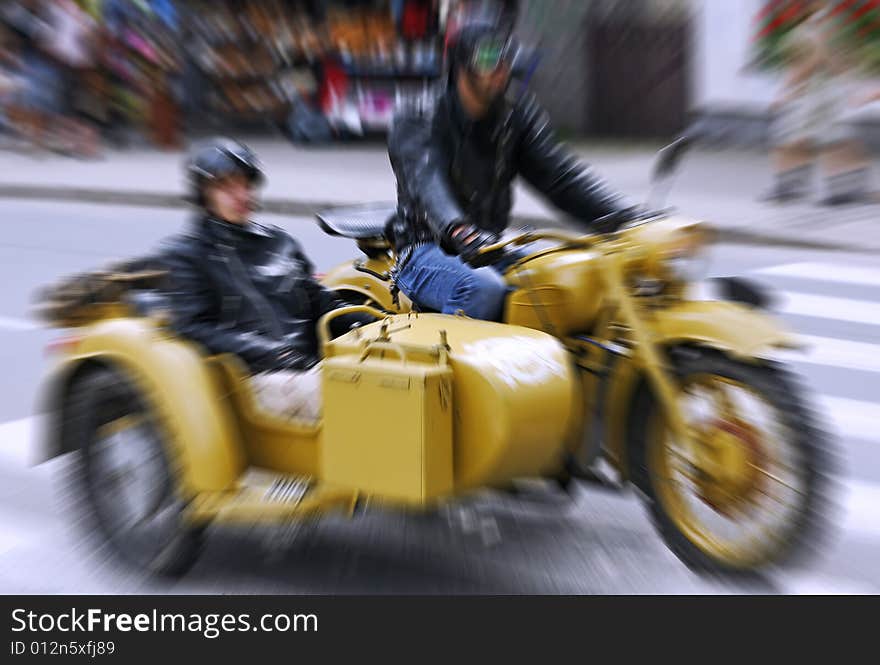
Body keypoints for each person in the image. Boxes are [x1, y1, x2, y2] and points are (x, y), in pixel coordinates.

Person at [385, 4, 635, 320]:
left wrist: (623, 219)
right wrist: (460, 230)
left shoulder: (514, 115)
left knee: (566, 276)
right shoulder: (419, 115)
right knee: (482, 289)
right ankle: (456, 365)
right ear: (461, 67)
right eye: (489, 60)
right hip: (425, 250)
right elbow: (426, 184)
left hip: (488, 247)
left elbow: (559, 177)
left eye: (505, 58)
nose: (501, 69)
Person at [162, 139, 373, 422]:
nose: (241, 194)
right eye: (226, 186)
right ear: (204, 194)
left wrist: (376, 323)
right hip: (256, 377)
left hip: (310, 364)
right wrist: (271, 353)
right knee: (366, 401)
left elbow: (319, 300)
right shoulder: (187, 255)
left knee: (401, 378)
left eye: (245, 184)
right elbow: (194, 327)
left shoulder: (279, 241)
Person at [763, 1, 874, 206]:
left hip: (819, 93)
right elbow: (821, 59)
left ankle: (840, 187)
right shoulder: (814, 23)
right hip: (813, 92)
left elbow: (818, 59)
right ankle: (793, 185)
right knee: (809, 138)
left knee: (825, 139)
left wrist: (788, 88)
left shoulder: (823, 23)